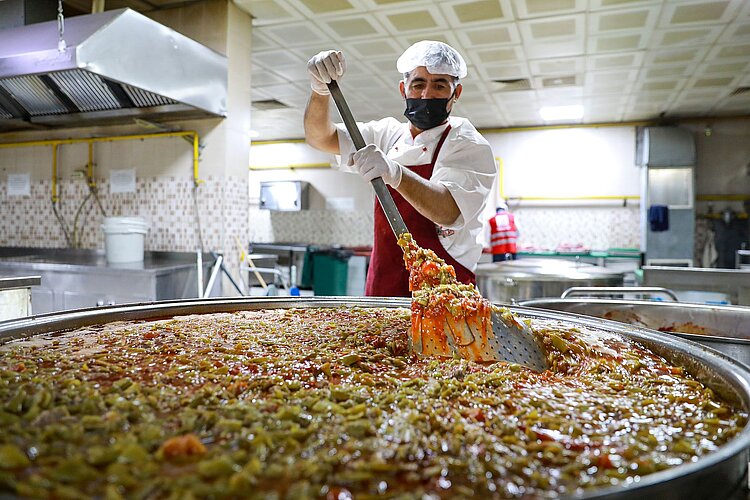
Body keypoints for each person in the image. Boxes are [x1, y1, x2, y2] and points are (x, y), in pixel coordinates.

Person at [304, 41, 496, 297]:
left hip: (445, 294)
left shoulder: (467, 144)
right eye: (418, 84)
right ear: (403, 89)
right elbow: (320, 137)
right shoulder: (387, 135)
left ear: (456, 92)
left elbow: (447, 211)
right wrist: (320, 91)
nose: (427, 94)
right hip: (384, 287)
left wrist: (395, 173)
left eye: (439, 85)